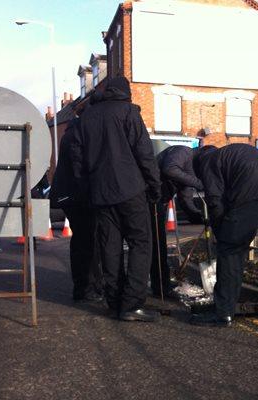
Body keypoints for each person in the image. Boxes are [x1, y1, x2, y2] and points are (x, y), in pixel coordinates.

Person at [79, 76, 162, 322]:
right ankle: (132, 304)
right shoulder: (128, 113)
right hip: (130, 189)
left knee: (110, 247)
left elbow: (80, 160)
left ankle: (114, 301)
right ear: (126, 93)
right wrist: (155, 187)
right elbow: (145, 154)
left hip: (101, 193)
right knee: (140, 243)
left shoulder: (88, 117)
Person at [190, 144, 258, 327]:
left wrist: (221, 234)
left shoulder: (207, 162)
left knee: (231, 249)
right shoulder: (229, 153)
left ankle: (223, 313)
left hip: (253, 190)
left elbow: (215, 202)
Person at [50, 116, 103, 302]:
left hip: (71, 194)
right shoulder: (78, 134)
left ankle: (89, 285)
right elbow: (79, 166)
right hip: (76, 195)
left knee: (85, 240)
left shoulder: (72, 132)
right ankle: (85, 288)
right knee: (85, 242)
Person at [151, 145, 204, 298]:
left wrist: (199, 217)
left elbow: (186, 200)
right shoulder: (184, 151)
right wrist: (199, 183)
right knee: (155, 245)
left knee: (158, 245)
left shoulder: (190, 171)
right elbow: (170, 169)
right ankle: (160, 287)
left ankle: (161, 285)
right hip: (149, 199)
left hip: (159, 202)